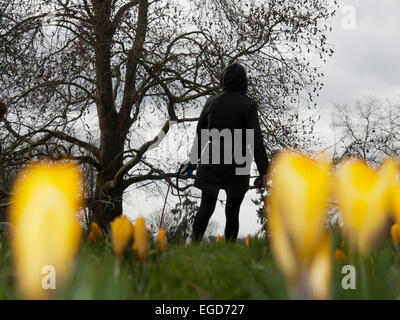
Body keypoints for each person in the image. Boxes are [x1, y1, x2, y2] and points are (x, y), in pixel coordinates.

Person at [186, 63, 269, 242]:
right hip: (237, 165)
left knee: (205, 208)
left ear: (223, 79)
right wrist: (264, 171)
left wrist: (193, 160)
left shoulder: (211, 102)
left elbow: (200, 134)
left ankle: (193, 245)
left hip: (211, 161)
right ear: (243, 82)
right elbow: (256, 141)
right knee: (232, 211)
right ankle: (230, 251)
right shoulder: (248, 105)